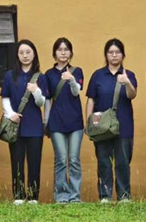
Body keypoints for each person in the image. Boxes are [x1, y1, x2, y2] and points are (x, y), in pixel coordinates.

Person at [86, 38, 137, 203]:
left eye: (117, 52)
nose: (114, 55)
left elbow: (132, 95)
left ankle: (124, 195)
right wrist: (88, 121)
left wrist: (127, 82)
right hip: (101, 126)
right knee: (103, 161)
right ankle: (105, 195)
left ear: (123, 55)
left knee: (123, 162)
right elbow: (91, 99)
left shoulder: (129, 74)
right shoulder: (98, 75)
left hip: (124, 125)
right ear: (106, 55)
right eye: (110, 52)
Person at [1, 39, 49, 204]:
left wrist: (36, 91)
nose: (25, 56)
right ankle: (19, 196)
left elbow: (41, 102)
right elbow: (5, 97)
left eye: (28, 52)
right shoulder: (10, 75)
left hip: (34, 126)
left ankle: (33, 197)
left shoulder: (40, 77)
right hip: (16, 125)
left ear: (34, 54)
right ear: (17, 55)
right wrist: (10, 114)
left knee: (34, 163)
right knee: (17, 162)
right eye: (21, 52)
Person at [44, 37, 85, 203]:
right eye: (60, 49)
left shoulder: (77, 71)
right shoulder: (49, 74)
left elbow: (76, 92)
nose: (63, 52)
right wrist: (45, 121)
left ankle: (75, 196)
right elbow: (47, 100)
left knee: (74, 159)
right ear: (54, 53)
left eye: (66, 49)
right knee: (61, 159)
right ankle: (61, 196)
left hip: (75, 122)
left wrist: (71, 79)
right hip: (56, 121)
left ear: (71, 53)